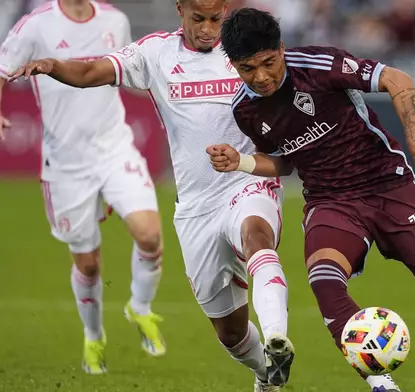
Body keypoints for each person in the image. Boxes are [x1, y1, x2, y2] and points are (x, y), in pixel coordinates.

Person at [209, 7, 415, 392]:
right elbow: (285, 163)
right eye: (248, 68)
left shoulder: (319, 64)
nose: (261, 77)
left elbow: (398, 79)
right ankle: (380, 383)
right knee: (324, 281)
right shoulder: (245, 110)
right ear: (233, 66)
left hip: (388, 186)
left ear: (281, 48)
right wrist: (241, 161)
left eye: (268, 62)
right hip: (330, 201)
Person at [8, 1, 294, 390]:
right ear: (180, 10)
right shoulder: (155, 53)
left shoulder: (246, 52)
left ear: (225, 10)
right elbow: (93, 70)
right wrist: (54, 66)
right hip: (196, 207)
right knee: (231, 334)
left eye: (215, 19)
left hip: (246, 180)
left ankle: (278, 336)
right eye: (199, 19)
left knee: (256, 235)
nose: (209, 29)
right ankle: (266, 371)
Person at [0, 0, 166, 375]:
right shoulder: (36, 25)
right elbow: (2, 68)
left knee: (150, 235)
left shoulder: (115, 21)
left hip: (114, 147)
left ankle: (140, 308)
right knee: (88, 265)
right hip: (66, 164)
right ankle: (94, 336)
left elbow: (125, 74)